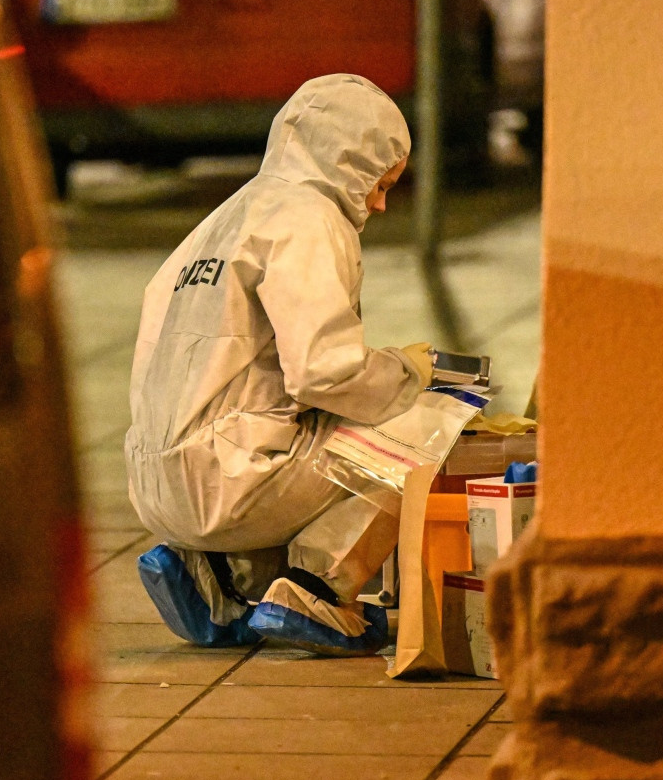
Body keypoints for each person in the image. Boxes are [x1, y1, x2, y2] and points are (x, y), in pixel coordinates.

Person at [124, 74, 435, 656]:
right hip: (231, 485)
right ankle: (317, 590)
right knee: (430, 421)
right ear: (347, 161)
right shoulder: (309, 219)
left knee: (288, 431)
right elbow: (326, 373)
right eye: (379, 182)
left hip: (155, 485)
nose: (379, 202)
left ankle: (213, 577)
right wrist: (412, 372)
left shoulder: (223, 218)